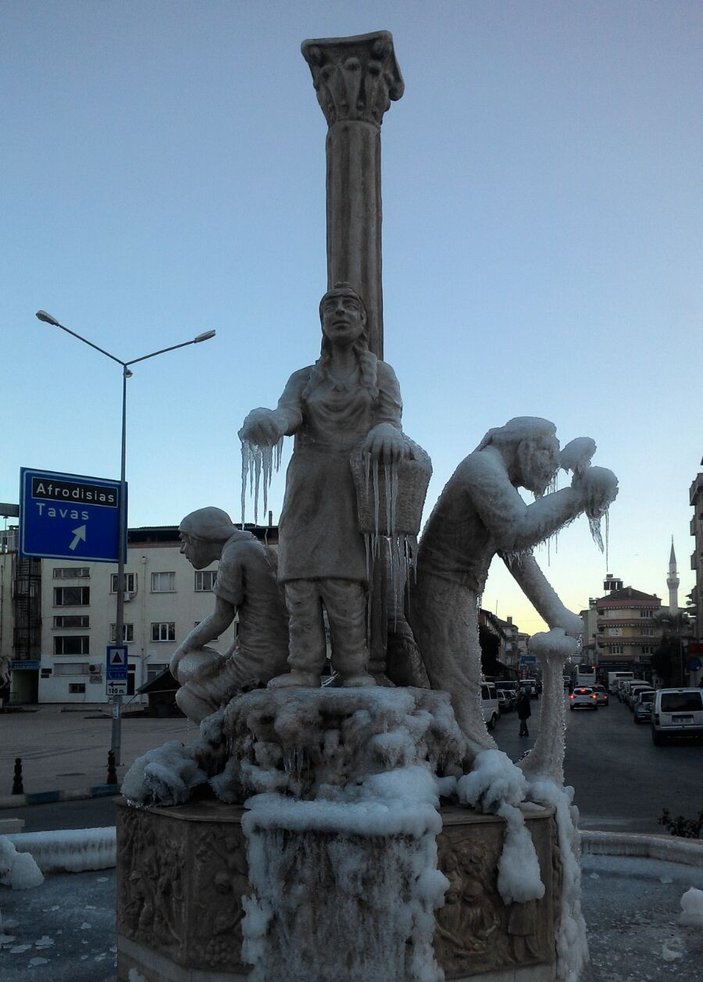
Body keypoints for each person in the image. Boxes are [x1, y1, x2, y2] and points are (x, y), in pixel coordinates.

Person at [410, 416, 618, 758]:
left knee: (462, 683)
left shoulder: (495, 478)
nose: (551, 469)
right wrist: (577, 497)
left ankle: (472, 761)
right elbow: (518, 531)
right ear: (526, 447)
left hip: (455, 592)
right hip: (440, 591)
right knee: (459, 685)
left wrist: (557, 614)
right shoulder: (482, 468)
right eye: (548, 456)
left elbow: (519, 558)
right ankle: (473, 763)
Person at [239, 283, 410, 688]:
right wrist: (270, 423)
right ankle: (303, 668)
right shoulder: (303, 377)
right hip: (307, 485)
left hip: (352, 485)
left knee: (345, 582)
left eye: (349, 306)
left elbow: (393, 420)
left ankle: (353, 668)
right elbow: (289, 413)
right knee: (299, 580)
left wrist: (387, 431)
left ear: (363, 320)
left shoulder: (382, 374)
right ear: (321, 321)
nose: (339, 312)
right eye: (330, 307)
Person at [169, 507, 289, 722]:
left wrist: (181, 652)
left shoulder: (234, 554)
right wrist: (226, 657)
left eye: (184, 540)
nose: (181, 549)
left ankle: (224, 748)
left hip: (258, 663)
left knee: (188, 696)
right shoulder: (259, 549)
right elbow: (257, 622)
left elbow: (221, 618)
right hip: (283, 656)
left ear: (201, 537)